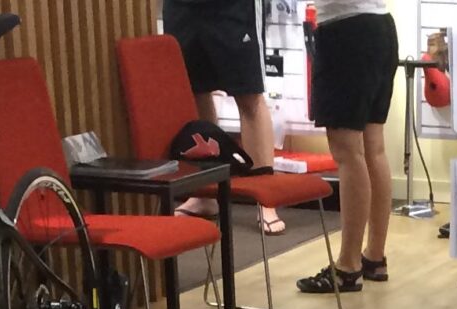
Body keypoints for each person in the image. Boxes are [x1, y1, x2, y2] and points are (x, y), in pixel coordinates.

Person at [162, 0, 287, 234]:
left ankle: (266, 201)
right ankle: (205, 193)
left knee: (249, 95)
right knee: (195, 92)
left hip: (233, 7)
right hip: (182, 7)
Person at [298, 0, 398, 292]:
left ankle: (347, 266)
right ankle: (374, 257)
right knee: (372, 149)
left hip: (346, 31)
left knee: (347, 152)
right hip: (379, 27)